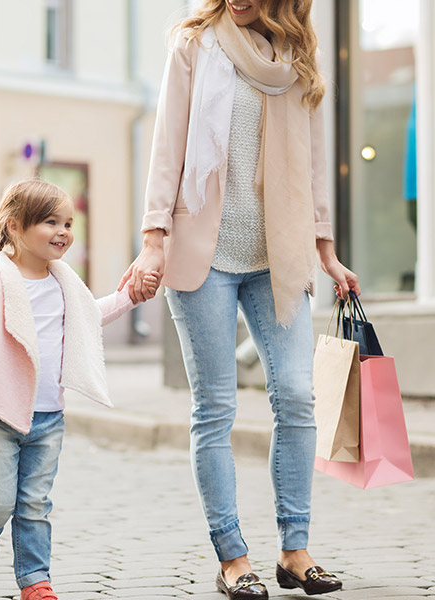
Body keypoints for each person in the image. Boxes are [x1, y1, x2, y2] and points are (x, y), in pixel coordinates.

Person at [120, 1, 360, 598]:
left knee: (298, 396)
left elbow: (313, 166)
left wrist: (325, 251)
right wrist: (154, 242)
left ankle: (295, 549)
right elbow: (167, 147)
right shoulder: (194, 44)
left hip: (277, 255)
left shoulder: (296, 58)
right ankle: (232, 557)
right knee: (215, 408)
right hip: (204, 254)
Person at [0, 179, 158, 600]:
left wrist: (130, 296)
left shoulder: (64, 282)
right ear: (15, 227)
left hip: (48, 416)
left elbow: (93, 315)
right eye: (51, 222)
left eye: (69, 222)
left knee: (34, 504)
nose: (64, 231)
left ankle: (35, 580)